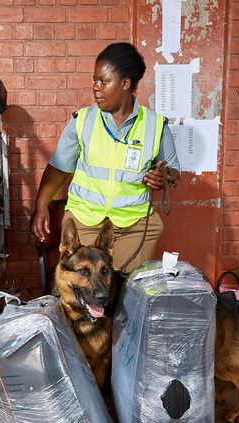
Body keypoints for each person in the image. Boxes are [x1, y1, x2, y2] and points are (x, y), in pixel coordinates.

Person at [30, 42, 181, 272]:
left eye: (103, 81)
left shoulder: (156, 125)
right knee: (90, 292)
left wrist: (163, 178)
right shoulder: (82, 120)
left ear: (125, 83)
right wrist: (41, 206)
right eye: (95, 80)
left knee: (129, 293)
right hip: (86, 221)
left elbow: (173, 171)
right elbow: (59, 168)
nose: (96, 88)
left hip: (134, 226)